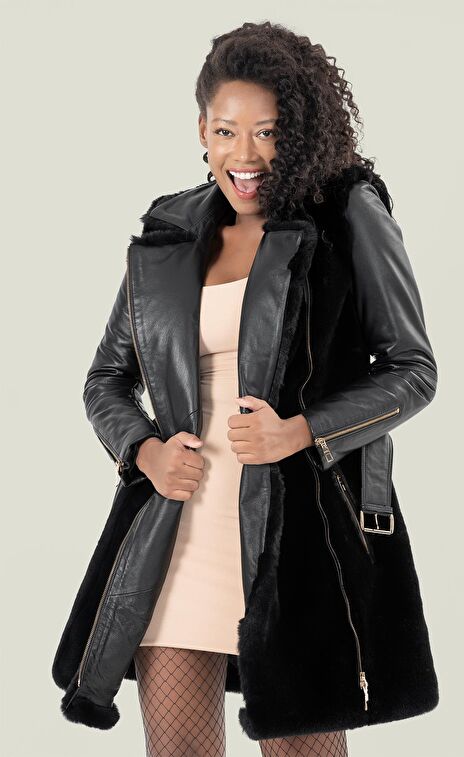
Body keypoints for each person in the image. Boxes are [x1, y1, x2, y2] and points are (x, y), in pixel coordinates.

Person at [53, 20, 439, 757]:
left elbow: (412, 368)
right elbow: (106, 378)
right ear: (201, 130)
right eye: (227, 132)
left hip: (294, 538)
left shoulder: (345, 213)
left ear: (298, 131)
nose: (247, 155)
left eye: (268, 132)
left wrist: (302, 430)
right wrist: (144, 451)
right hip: (179, 533)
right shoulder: (170, 233)